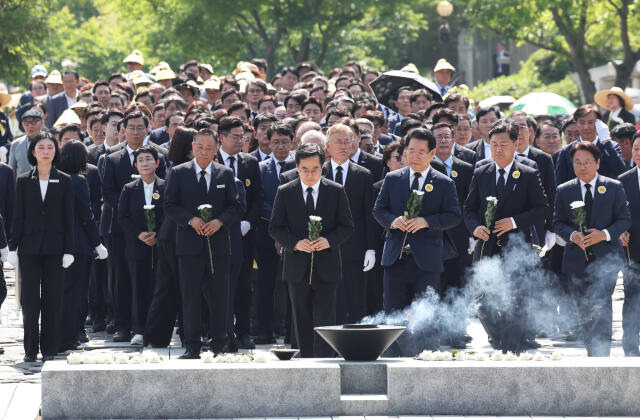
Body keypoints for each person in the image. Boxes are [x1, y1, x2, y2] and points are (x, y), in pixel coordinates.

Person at [373, 128, 461, 354]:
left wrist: (427, 221)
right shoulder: (393, 179)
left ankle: (426, 358)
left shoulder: (443, 182)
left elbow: (453, 216)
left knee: (426, 315)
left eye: (421, 152)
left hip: (427, 260)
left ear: (432, 153)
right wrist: (394, 221)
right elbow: (379, 210)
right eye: (411, 151)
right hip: (396, 258)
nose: (415, 156)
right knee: (393, 313)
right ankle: (393, 358)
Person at [463, 120, 549, 353]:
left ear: (516, 143)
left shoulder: (528, 172)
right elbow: (469, 208)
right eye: (493, 144)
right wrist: (475, 227)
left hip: (517, 247)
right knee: (484, 303)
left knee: (516, 300)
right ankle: (499, 338)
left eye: (503, 144)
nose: (498, 149)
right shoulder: (481, 171)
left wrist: (513, 222)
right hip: (487, 248)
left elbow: (542, 208)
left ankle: (512, 348)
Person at [269, 143, 354, 357]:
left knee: (326, 316)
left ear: (322, 167)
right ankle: (306, 361)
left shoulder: (335, 190)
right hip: (297, 266)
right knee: (301, 317)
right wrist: (295, 243)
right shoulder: (285, 191)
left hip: (327, 264)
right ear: (297, 167)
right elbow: (275, 228)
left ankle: (326, 360)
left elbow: (347, 226)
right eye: (304, 169)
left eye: (314, 169)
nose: (309, 174)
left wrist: (329, 240)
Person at [164, 128, 244, 358]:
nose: (204, 152)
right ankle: (192, 345)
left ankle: (220, 343)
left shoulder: (225, 173)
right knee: (190, 297)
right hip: (189, 245)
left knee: (220, 296)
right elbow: (169, 205)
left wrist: (220, 222)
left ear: (216, 149)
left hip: (218, 244)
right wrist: (190, 220)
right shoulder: (179, 173)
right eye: (200, 147)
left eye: (209, 148)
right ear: (193, 147)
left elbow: (236, 206)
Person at [553, 141, 631, 356]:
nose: (583, 166)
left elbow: (624, 220)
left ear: (597, 163)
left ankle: (601, 355)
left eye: (587, 162)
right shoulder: (564, 190)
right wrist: (572, 235)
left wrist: (603, 235)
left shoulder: (613, 186)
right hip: (576, 260)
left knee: (602, 306)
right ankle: (592, 352)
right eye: (577, 162)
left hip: (606, 259)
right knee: (584, 308)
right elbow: (557, 222)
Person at [8, 132, 75, 362]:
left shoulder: (65, 180)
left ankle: (49, 348)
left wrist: (69, 249)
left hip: (56, 249)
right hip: (29, 249)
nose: (46, 151)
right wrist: (13, 247)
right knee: (29, 301)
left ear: (55, 151)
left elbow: (69, 218)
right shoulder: (24, 180)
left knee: (52, 301)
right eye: (41, 147)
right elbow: (19, 216)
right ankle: (30, 349)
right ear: (33, 152)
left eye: (50, 147)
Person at [102, 110, 167, 342]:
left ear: (147, 129)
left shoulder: (159, 155)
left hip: (155, 232)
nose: (136, 132)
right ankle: (123, 325)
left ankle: (149, 324)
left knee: (152, 278)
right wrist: (128, 206)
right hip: (124, 230)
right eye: (131, 128)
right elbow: (107, 191)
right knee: (123, 278)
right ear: (123, 130)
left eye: (140, 127)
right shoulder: (111, 158)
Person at [216, 116, 264, 349]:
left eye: (243, 137)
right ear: (221, 137)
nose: (240, 141)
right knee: (217, 285)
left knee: (243, 285)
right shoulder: (211, 160)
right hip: (216, 233)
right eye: (235, 137)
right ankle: (218, 332)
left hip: (243, 235)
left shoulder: (249, 162)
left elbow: (257, 198)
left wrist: (248, 223)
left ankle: (243, 332)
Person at [56, 140, 108, 352]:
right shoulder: (79, 181)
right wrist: (97, 243)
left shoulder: (55, 179)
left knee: (61, 292)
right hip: (79, 244)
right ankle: (71, 336)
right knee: (77, 293)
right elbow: (87, 217)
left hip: (57, 244)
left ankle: (58, 335)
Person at [322, 123, 376, 324]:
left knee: (355, 299)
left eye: (348, 141)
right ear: (327, 146)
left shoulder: (363, 174)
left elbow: (368, 214)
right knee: (329, 298)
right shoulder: (319, 173)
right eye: (339, 142)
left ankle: (356, 342)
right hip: (325, 247)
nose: (344, 146)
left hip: (355, 247)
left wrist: (371, 248)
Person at [117, 146, 165, 346]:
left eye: (149, 159)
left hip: (161, 246)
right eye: (141, 160)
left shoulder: (165, 186)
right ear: (136, 165)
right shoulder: (129, 188)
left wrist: (159, 234)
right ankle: (138, 329)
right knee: (138, 287)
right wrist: (139, 234)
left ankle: (158, 330)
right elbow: (122, 217)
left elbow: (170, 213)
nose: (145, 163)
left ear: (157, 163)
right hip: (136, 246)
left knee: (159, 287)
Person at [254, 122, 295, 344]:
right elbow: (259, 201)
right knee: (265, 285)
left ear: (293, 142)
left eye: (285, 142)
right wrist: (276, 223)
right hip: (266, 234)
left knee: (292, 284)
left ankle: (291, 331)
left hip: (293, 235)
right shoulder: (260, 168)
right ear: (268, 143)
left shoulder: (300, 167)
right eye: (276, 142)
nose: (280, 146)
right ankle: (264, 331)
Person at [555, 105, 626, 186]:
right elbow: (560, 184)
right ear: (576, 123)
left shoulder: (611, 146)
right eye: (581, 122)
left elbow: (620, 171)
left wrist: (606, 142)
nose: (586, 127)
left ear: (599, 123)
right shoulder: (567, 151)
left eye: (590, 122)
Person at [618, 132, 640, 356]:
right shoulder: (623, 180)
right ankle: (630, 345)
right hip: (633, 249)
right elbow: (617, 214)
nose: (638, 153)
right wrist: (619, 231)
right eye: (635, 148)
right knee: (632, 296)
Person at [9, 109, 45, 178]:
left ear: (42, 123)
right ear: (22, 125)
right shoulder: (16, 144)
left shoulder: (50, 141)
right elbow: (11, 171)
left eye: (34, 122)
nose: (30, 126)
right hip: (22, 187)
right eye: (26, 123)